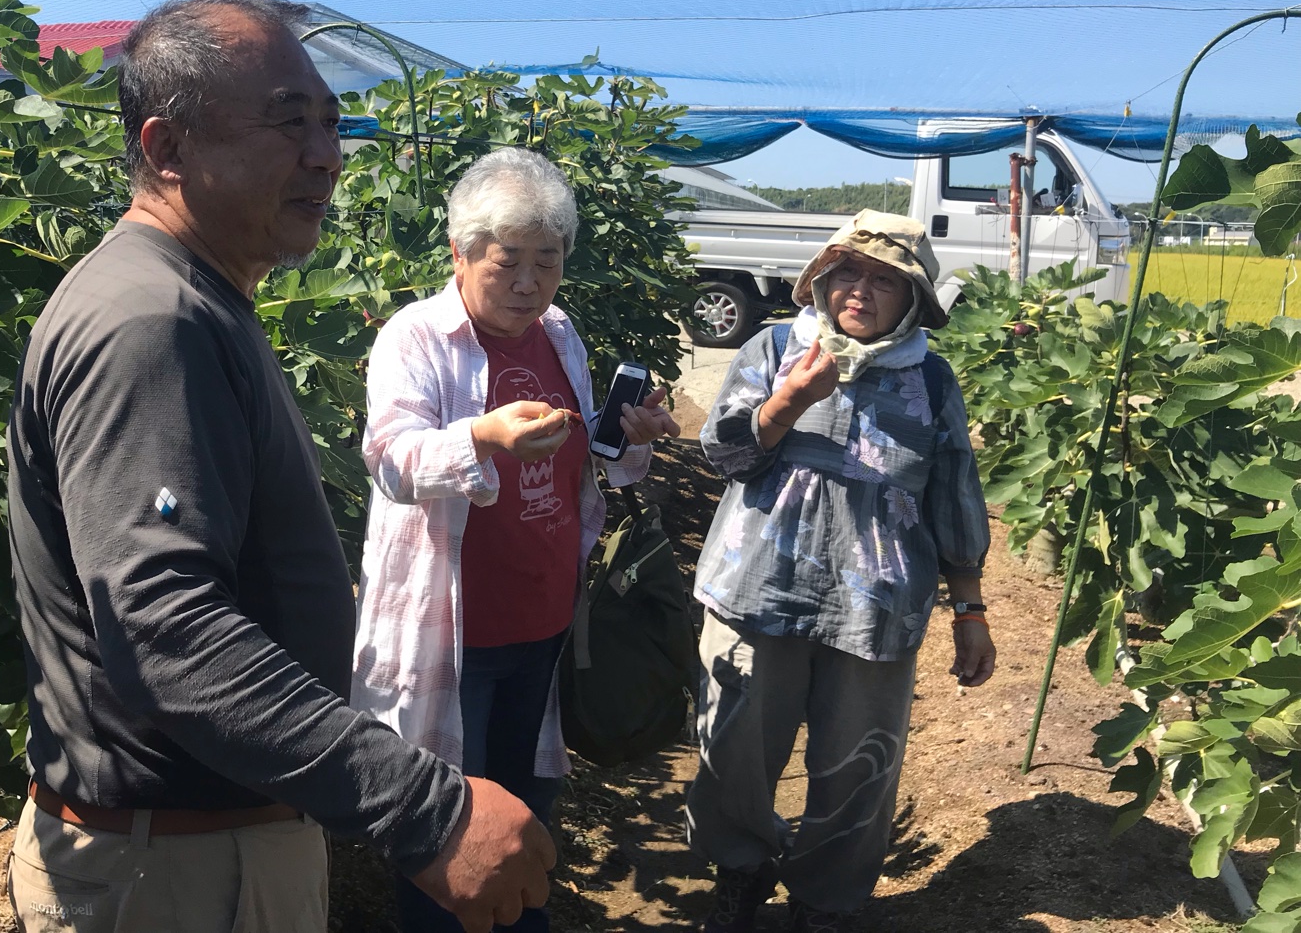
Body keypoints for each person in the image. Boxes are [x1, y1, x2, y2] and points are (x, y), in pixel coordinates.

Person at [6, 0, 554, 933]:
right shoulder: (153, 322)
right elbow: (165, 630)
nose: (325, 154)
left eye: (331, 123)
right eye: (287, 121)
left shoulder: (193, 298)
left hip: (196, 852)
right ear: (168, 148)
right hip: (175, 873)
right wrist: (423, 808)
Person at [350, 148, 680, 932]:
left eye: (547, 261)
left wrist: (633, 437)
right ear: (460, 255)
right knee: (448, 832)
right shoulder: (417, 338)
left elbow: (594, 461)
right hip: (454, 634)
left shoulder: (559, 334)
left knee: (525, 815)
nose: (529, 283)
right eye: (507, 263)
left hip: (542, 620)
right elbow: (391, 460)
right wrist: (484, 437)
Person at [686, 210, 996, 933]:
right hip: (753, 587)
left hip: (875, 605)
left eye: (885, 281)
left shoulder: (927, 376)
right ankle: (741, 867)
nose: (860, 290)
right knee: (732, 745)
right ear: (820, 280)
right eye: (847, 272)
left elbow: (951, 492)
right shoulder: (771, 347)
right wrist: (790, 400)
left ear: (913, 301)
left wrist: (970, 609)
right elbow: (722, 454)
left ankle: (824, 899)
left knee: (858, 762)